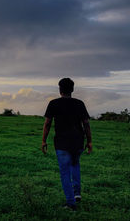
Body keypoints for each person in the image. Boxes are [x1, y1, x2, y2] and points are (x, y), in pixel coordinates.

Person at [41, 78, 92, 211]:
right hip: (78, 141)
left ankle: (71, 204)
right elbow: (86, 124)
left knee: (64, 172)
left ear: (60, 89)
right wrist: (90, 141)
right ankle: (77, 194)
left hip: (62, 143)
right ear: (72, 89)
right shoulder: (79, 104)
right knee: (75, 165)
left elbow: (47, 124)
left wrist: (44, 141)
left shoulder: (53, 103)